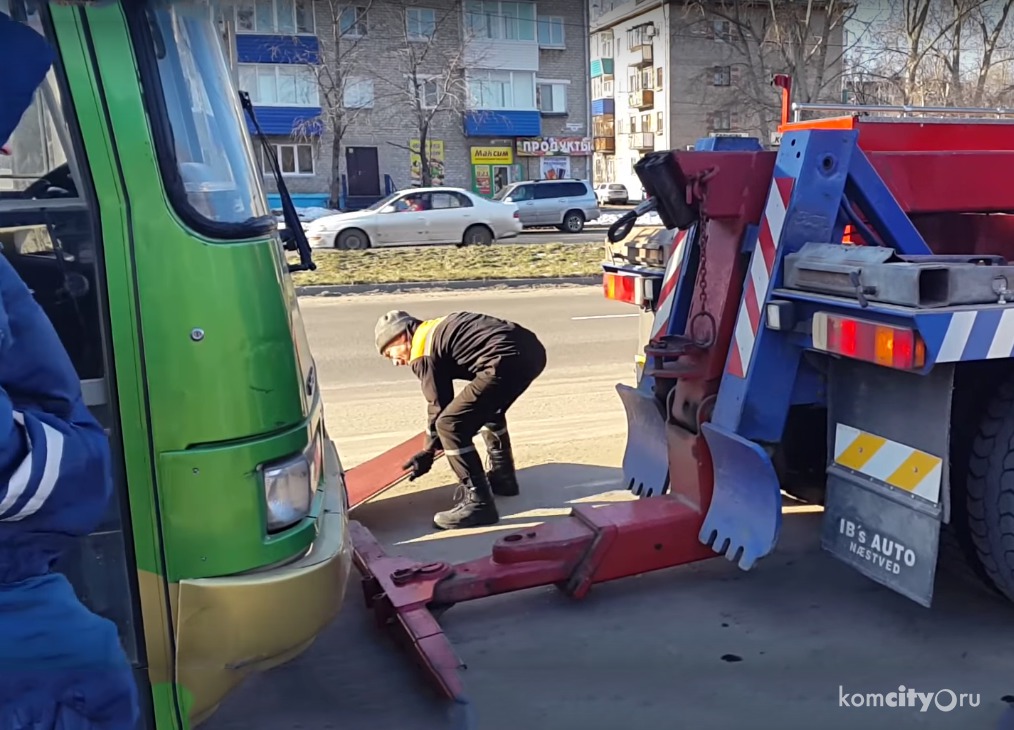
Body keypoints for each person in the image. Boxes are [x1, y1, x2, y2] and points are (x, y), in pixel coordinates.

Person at [376, 310, 547, 530]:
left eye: (390, 354)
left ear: (400, 337)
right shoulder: (435, 329)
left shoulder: (421, 349)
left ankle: (479, 504)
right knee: (486, 410)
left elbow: (438, 405)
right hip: (531, 351)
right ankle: (503, 479)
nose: (395, 363)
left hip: (504, 359)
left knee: (450, 426)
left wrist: (427, 452)